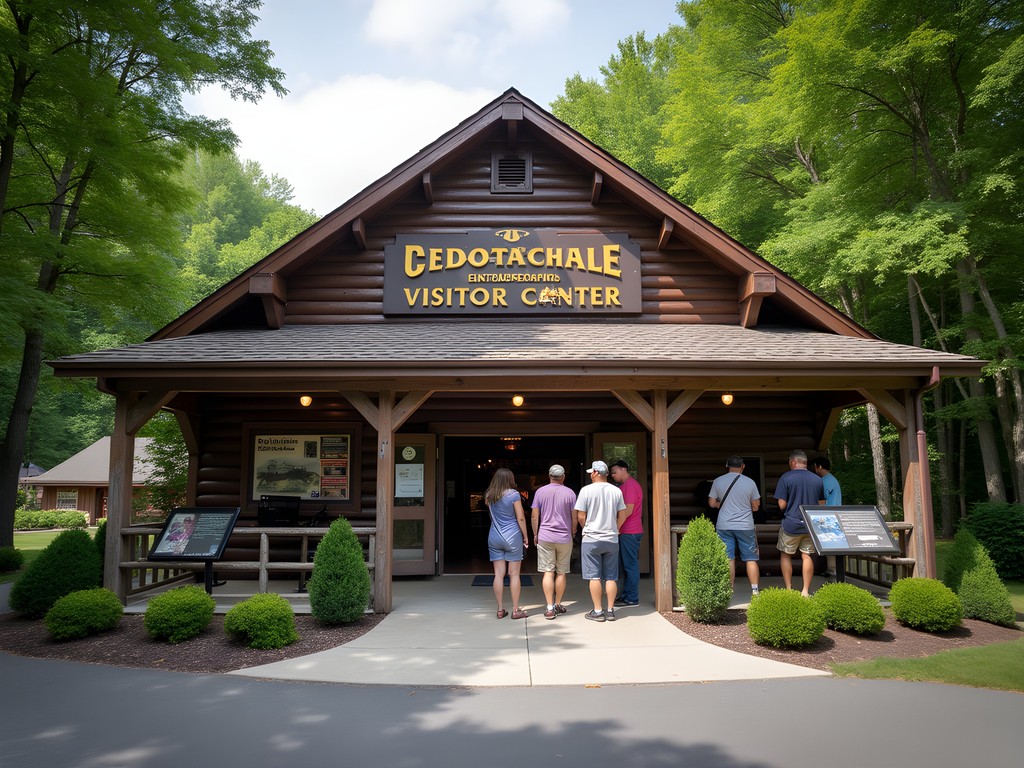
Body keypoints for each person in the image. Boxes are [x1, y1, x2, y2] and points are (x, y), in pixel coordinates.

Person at [574, 460, 627, 622]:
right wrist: (615, 529)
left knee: (594, 577)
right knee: (611, 576)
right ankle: (610, 610)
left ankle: (597, 611)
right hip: (611, 538)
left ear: (596, 473)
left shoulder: (586, 490)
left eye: (592, 472)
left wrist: (586, 527)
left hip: (591, 538)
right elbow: (623, 515)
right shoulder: (616, 491)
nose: (590, 474)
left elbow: (581, 515)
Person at [774, 449, 826, 596]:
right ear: (805, 463)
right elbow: (822, 504)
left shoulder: (786, 477)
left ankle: (789, 589)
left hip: (790, 523)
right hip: (810, 525)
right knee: (807, 555)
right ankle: (805, 591)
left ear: (793, 462)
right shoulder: (817, 479)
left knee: (785, 554)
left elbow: (782, 505)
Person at [708, 456, 761, 595]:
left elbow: (712, 503)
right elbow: (756, 506)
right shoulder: (750, 482)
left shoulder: (718, 481)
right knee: (751, 558)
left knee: (728, 557)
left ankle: (729, 589)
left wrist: (722, 505)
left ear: (727, 466)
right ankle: (755, 590)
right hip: (745, 526)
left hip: (724, 525)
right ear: (743, 466)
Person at [530, 464, 577, 619]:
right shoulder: (570, 493)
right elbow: (574, 517)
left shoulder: (540, 492)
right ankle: (558, 604)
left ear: (549, 476)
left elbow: (535, 516)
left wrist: (535, 533)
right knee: (562, 572)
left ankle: (549, 607)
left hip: (545, 536)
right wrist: (573, 531)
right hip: (564, 537)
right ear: (563, 476)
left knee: (548, 572)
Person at [485, 467, 529, 619]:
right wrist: (526, 536)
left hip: (494, 535)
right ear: (510, 479)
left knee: (498, 574)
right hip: (512, 536)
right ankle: (516, 610)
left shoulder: (489, 495)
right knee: (514, 574)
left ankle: (499, 609)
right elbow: (521, 517)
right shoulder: (514, 494)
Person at [609, 459, 643, 607]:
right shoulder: (626, 485)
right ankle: (626, 595)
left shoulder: (629, 485)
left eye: (615, 472)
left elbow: (627, 510)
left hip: (630, 531)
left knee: (630, 565)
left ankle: (632, 598)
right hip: (627, 531)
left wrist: (615, 528)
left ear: (624, 469)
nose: (613, 476)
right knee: (626, 566)